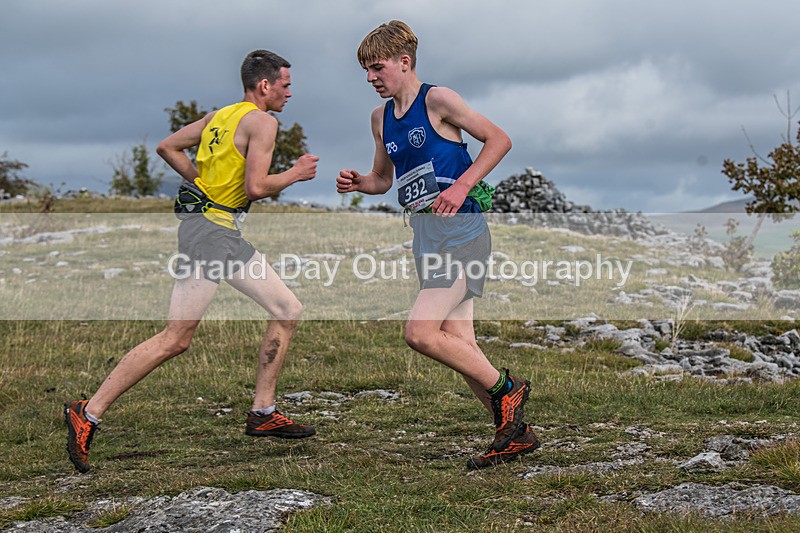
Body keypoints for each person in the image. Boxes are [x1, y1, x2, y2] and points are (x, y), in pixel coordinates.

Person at [65, 50, 319, 473]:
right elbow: (256, 187)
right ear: (265, 86)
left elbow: (168, 147)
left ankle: (262, 412)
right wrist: (294, 173)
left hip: (218, 232)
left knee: (287, 309)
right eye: (286, 85)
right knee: (176, 338)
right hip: (210, 235)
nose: (290, 92)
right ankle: (87, 413)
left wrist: (200, 182)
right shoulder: (263, 121)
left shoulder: (219, 117)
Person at [337, 20, 540, 469]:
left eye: (377, 68)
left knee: (420, 333)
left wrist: (462, 186)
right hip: (426, 237)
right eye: (366, 71)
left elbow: (499, 139)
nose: (371, 78)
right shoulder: (380, 119)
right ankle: (515, 434)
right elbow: (383, 179)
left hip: (463, 231)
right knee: (458, 341)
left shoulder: (438, 100)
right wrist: (360, 183)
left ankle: (510, 391)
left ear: (404, 62)